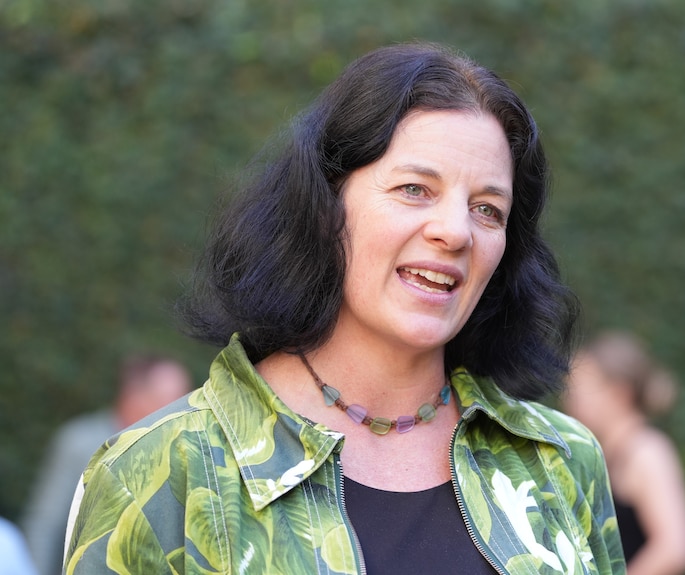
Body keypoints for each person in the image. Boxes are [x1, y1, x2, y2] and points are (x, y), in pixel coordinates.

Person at [63, 43, 625, 574]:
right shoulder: (161, 472)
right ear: (325, 204)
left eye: (487, 209)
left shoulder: (562, 460)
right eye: (414, 189)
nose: (455, 232)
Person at [22, 354, 192, 575]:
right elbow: (45, 525)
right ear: (135, 396)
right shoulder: (80, 442)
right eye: (173, 400)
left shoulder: (181, 450)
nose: (183, 410)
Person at [563, 331, 685, 575]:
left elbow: (677, 547)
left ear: (619, 393)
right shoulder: (609, 453)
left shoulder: (647, 452)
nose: (571, 400)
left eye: (582, 388)